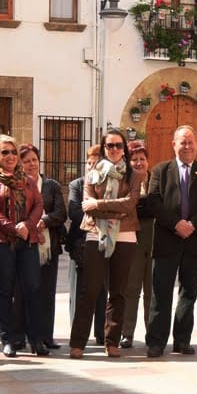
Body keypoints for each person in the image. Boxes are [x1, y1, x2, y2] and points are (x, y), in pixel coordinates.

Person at [144, 125, 197, 357]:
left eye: (190, 142)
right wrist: (176, 224)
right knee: (161, 292)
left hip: (194, 242)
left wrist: (192, 225)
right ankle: (156, 341)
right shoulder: (160, 170)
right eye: (182, 142)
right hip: (167, 240)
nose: (186, 146)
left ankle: (182, 340)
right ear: (173, 144)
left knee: (189, 293)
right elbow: (154, 202)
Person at [69, 129, 144, 359]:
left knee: (118, 292)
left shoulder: (134, 175)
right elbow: (85, 205)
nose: (114, 150)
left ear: (124, 149)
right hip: (96, 234)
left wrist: (99, 205)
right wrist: (112, 208)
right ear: (103, 148)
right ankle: (78, 342)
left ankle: (112, 341)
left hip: (126, 235)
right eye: (109, 146)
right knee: (89, 290)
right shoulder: (92, 173)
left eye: (118, 146)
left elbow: (130, 205)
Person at [0, 134, 47, 358]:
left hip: (27, 240)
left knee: (33, 289)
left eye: (13, 152)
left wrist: (27, 225)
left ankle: (36, 339)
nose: (10, 156)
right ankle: (7, 339)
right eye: (4, 152)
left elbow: (38, 204)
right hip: (0, 241)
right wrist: (12, 227)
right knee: (4, 290)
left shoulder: (27, 180)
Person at [13, 144, 66, 350]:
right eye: (26, 161)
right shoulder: (17, 184)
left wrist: (44, 221)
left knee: (46, 291)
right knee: (23, 291)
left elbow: (61, 213)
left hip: (49, 246)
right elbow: (16, 213)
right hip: (25, 245)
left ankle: (46, 336)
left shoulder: (51, 185)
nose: (31, 164)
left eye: (34, 160)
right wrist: (32, 227)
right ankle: (20, 335)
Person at [66, 145, 105, 346]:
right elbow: (73, 211)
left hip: (104, 242)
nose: (92, 166)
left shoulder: (109, 184)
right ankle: (77, 333)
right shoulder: (76, 185)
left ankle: (101, 332)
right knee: (79, 290)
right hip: (80, 243)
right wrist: (100, 215)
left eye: (96, 163)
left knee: (101, 290)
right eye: (89, 163)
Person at [120, 141, 154, 349]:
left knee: (152, 289)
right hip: (132, 238)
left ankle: (152, 332)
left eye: (142, 159)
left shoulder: (155, 180)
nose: (139, 163)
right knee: (131, 288)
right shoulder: (125, 182)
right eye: (135, 159)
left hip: (154, 238)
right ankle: (127, 333)